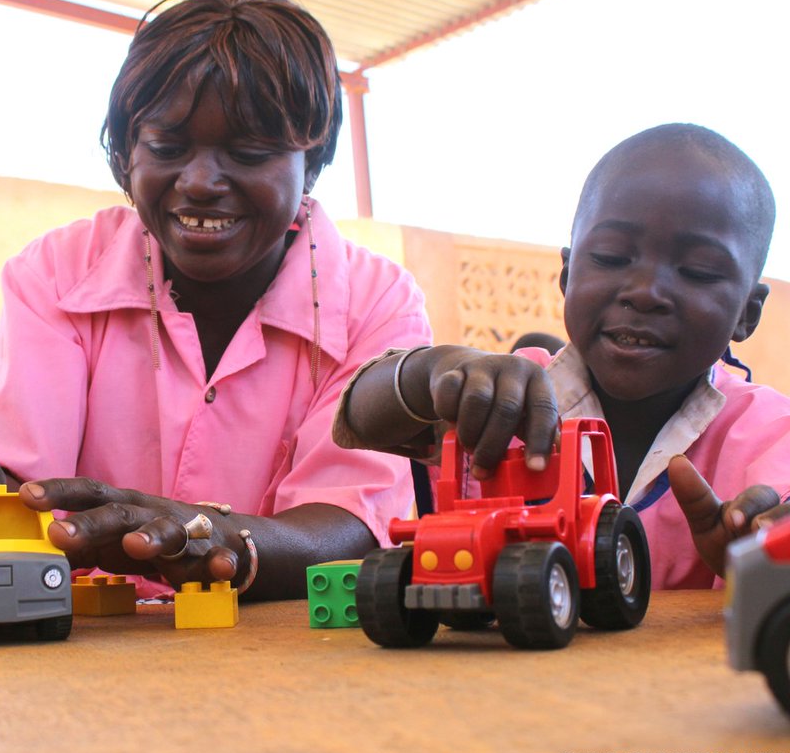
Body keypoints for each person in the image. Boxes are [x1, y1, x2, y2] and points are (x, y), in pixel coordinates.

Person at [0, 0, 432, 600]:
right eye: (167, 146)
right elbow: (9, 492)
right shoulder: (57, 274)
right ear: (125, 153)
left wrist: (223, 540)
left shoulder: (377, 303)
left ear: (312, 161)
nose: (202, 181)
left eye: (248, 151)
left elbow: (350, 525)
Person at [334, 123, 790, 588]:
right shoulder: (504, 393)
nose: (646, 292)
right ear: (567, 274)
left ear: (747, 313)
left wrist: (763, 556)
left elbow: (777, 520)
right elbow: (359, 416)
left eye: (697, 271)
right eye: (612, 257)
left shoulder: (771, 436)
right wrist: (431, 371)